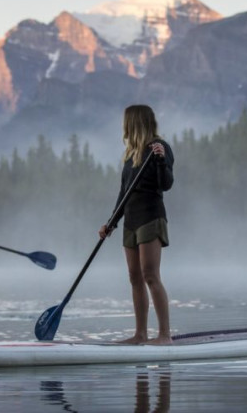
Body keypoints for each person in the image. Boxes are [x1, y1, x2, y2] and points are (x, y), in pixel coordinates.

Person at [99, 104, 174, 345]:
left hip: (151, 217)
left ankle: (164, 336)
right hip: (131, 220)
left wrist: (161, 160)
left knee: (150, 275)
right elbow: (124, 193)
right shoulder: (131, 154)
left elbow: (166, 184)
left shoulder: (159, 147)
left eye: (127, 122)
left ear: (135, 122)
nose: (124, 127)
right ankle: (140, 334)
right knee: (134, 277)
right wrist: (111, 223)